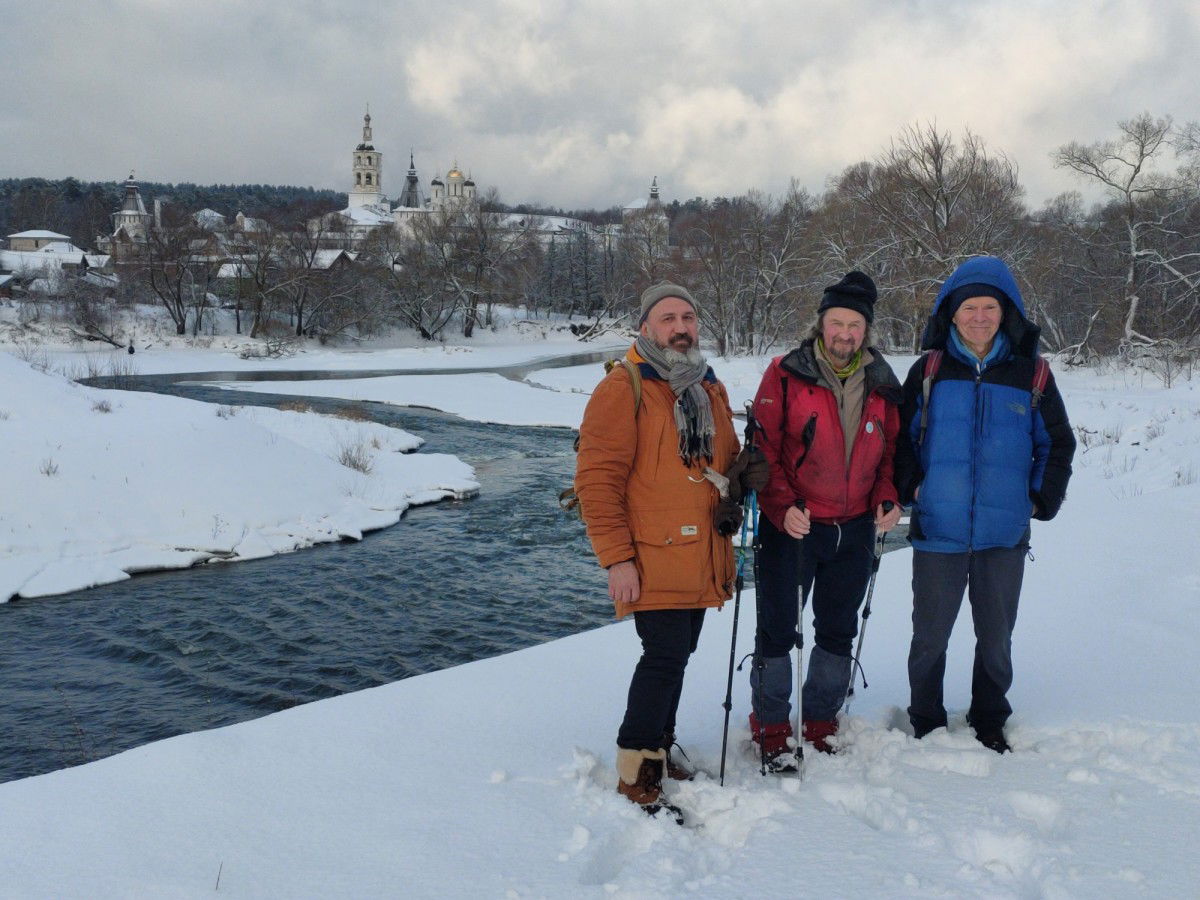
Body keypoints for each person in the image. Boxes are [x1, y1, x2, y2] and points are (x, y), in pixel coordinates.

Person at [575, 282, 767, 818]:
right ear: (645, 328)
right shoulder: (624, 387)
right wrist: (616, 559)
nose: (680, 326)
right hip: (652, 552)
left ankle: (656, 752)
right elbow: (597, 481)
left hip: (701, 550)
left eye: (688, 316)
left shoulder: (707, 385)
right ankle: (637, 771)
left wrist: (743, 471)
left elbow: (719, 461)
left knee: (677, 655)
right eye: (667, 318)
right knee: (662, 657)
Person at [894, 256, 1075, 753]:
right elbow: (900, 438)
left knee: (996, 639)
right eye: (969, 307)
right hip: (938, 531)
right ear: (951, 314)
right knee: (929, 638)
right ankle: (925, 716)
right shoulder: (930, 370)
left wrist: (1038, 499)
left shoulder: (1031, 374)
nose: (979, 316)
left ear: (1006, 312)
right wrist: (913, 487)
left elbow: (1057, 443)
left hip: (1003, 535)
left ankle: (989, 717)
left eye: (989, 307)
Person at [748, 271, 903, 768]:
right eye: (836, 322)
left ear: (866, 330)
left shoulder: (882, 380)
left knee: (838, 628)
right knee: (777, 628)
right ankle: (771, 723)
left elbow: (891, 453)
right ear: (821, 324)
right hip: (794, 527)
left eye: (854, 325)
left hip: (855, 528)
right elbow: (763, 449)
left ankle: (820, 719)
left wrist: (887, 496)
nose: (845, 333)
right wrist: (781, 505)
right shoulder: (785, 373)